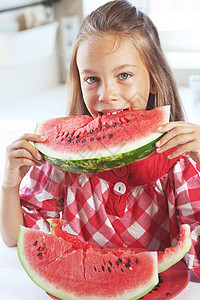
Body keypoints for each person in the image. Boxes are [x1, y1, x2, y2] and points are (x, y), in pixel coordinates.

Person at [0, 0, 200, 278]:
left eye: (124, 75)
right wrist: (10, 183)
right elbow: (18, 237)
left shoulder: (179, 163)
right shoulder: (63, 162)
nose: (107, 94)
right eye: (92, 79)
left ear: (153, 79)